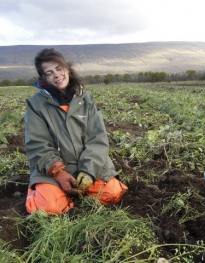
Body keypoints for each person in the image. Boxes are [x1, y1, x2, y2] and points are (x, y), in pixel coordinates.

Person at [24, 48, 128, 215]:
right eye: (49, 73)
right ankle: (49, 192)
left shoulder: (86, 99)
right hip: (54, 170)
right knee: (49, 208)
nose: (56, 75)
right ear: (43, 78)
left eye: (59, 68)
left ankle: (75, 193)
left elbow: (97, 139)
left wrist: (88, 172)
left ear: (67, 68)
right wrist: (59, 173)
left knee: (112, 195)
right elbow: (38, 145)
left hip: (86, 165)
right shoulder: (35, 105)